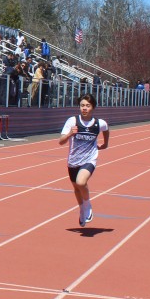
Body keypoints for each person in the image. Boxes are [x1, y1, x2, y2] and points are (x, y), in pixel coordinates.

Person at [59, 93, 109, 227]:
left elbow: (106, 129)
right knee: (76, 188)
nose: (84, 108)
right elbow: (61, 142)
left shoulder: (99, 123)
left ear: (93, 107)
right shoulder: (72, 121)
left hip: (89, 159)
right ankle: (82, 209)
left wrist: (105, 143)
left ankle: (87, 205)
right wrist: (70, 134)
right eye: (82, 105)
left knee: (81, 182)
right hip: (73, 161)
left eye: (87, 105)